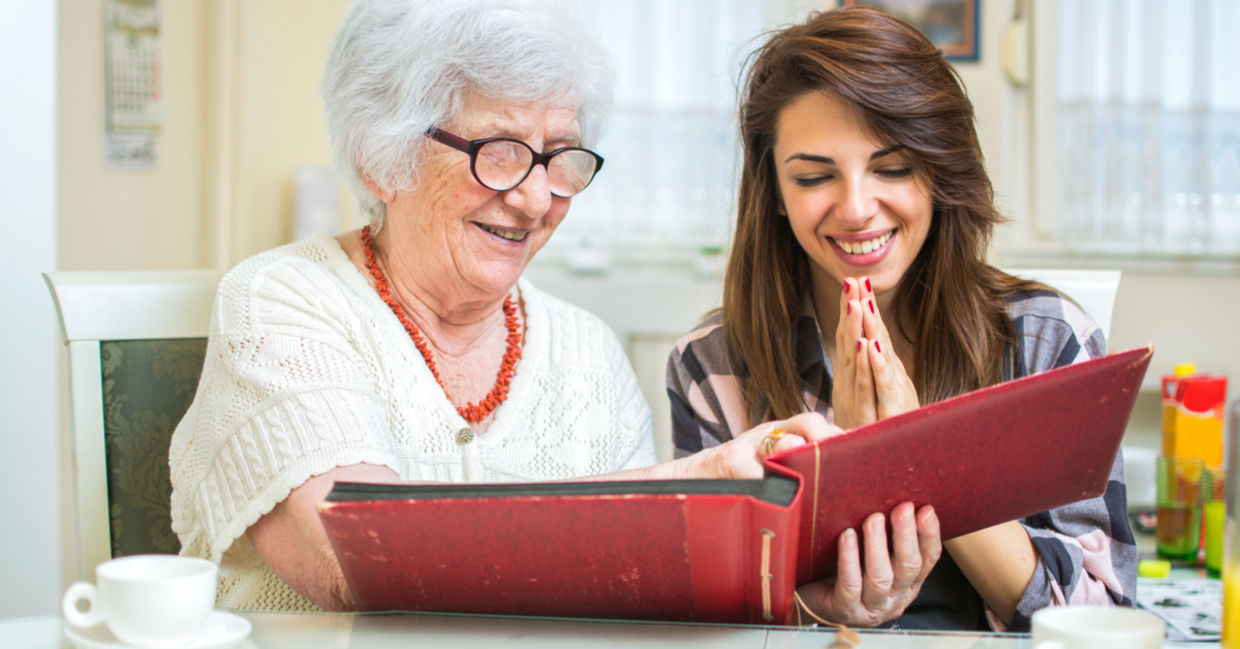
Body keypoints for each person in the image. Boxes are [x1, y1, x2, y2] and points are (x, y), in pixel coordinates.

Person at [169, 0, 844, 614]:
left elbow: (642, 604)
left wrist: (803, 592)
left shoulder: (587, 351)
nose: (534, 197)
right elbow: (355, 558)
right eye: (500, 152)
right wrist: (700, 479)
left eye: (559, 157)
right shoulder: (283, 301)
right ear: (383, 158)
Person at [666, 6, 1135, 632]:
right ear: (774, 192)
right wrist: (817, 606)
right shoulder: (713, 366)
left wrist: (915, 452)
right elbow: (713, 617)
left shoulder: (1047, 338)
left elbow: (1105, 621)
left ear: (940, 171)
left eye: (892, 168)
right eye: (813, 176)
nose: (857, 208)